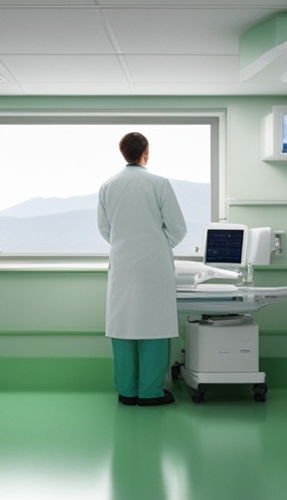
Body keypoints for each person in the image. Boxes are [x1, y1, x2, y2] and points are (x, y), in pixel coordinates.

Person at [97, 132, 187, 406]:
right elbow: (178, 228)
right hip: (154, 266)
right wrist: (159, 244)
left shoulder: (108, 185)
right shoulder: (159, 184)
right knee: (155, 327)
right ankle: (150, 393)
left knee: (123, 326)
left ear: (122, 152)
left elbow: (104, 229)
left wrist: (126, 245)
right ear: (146, 151)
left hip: (123, 264)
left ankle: (127, 392)